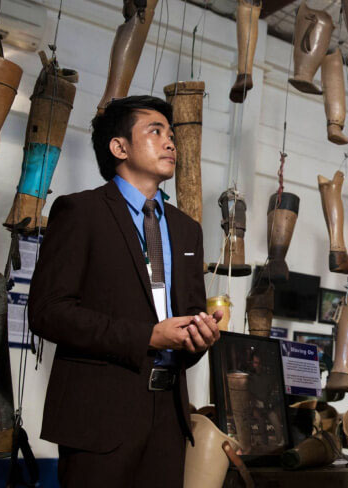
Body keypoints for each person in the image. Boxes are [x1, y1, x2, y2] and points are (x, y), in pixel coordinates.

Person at [28, 95, 221, 487]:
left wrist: (200, 338)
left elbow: (189, 316)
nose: (171, 142)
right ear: (119, 147)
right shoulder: (81, 212)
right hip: (99, 419)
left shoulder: (188, 230)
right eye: (155, 132)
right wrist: (146, 336)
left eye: (171, 134)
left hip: (169, 419)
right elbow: (47, 311)